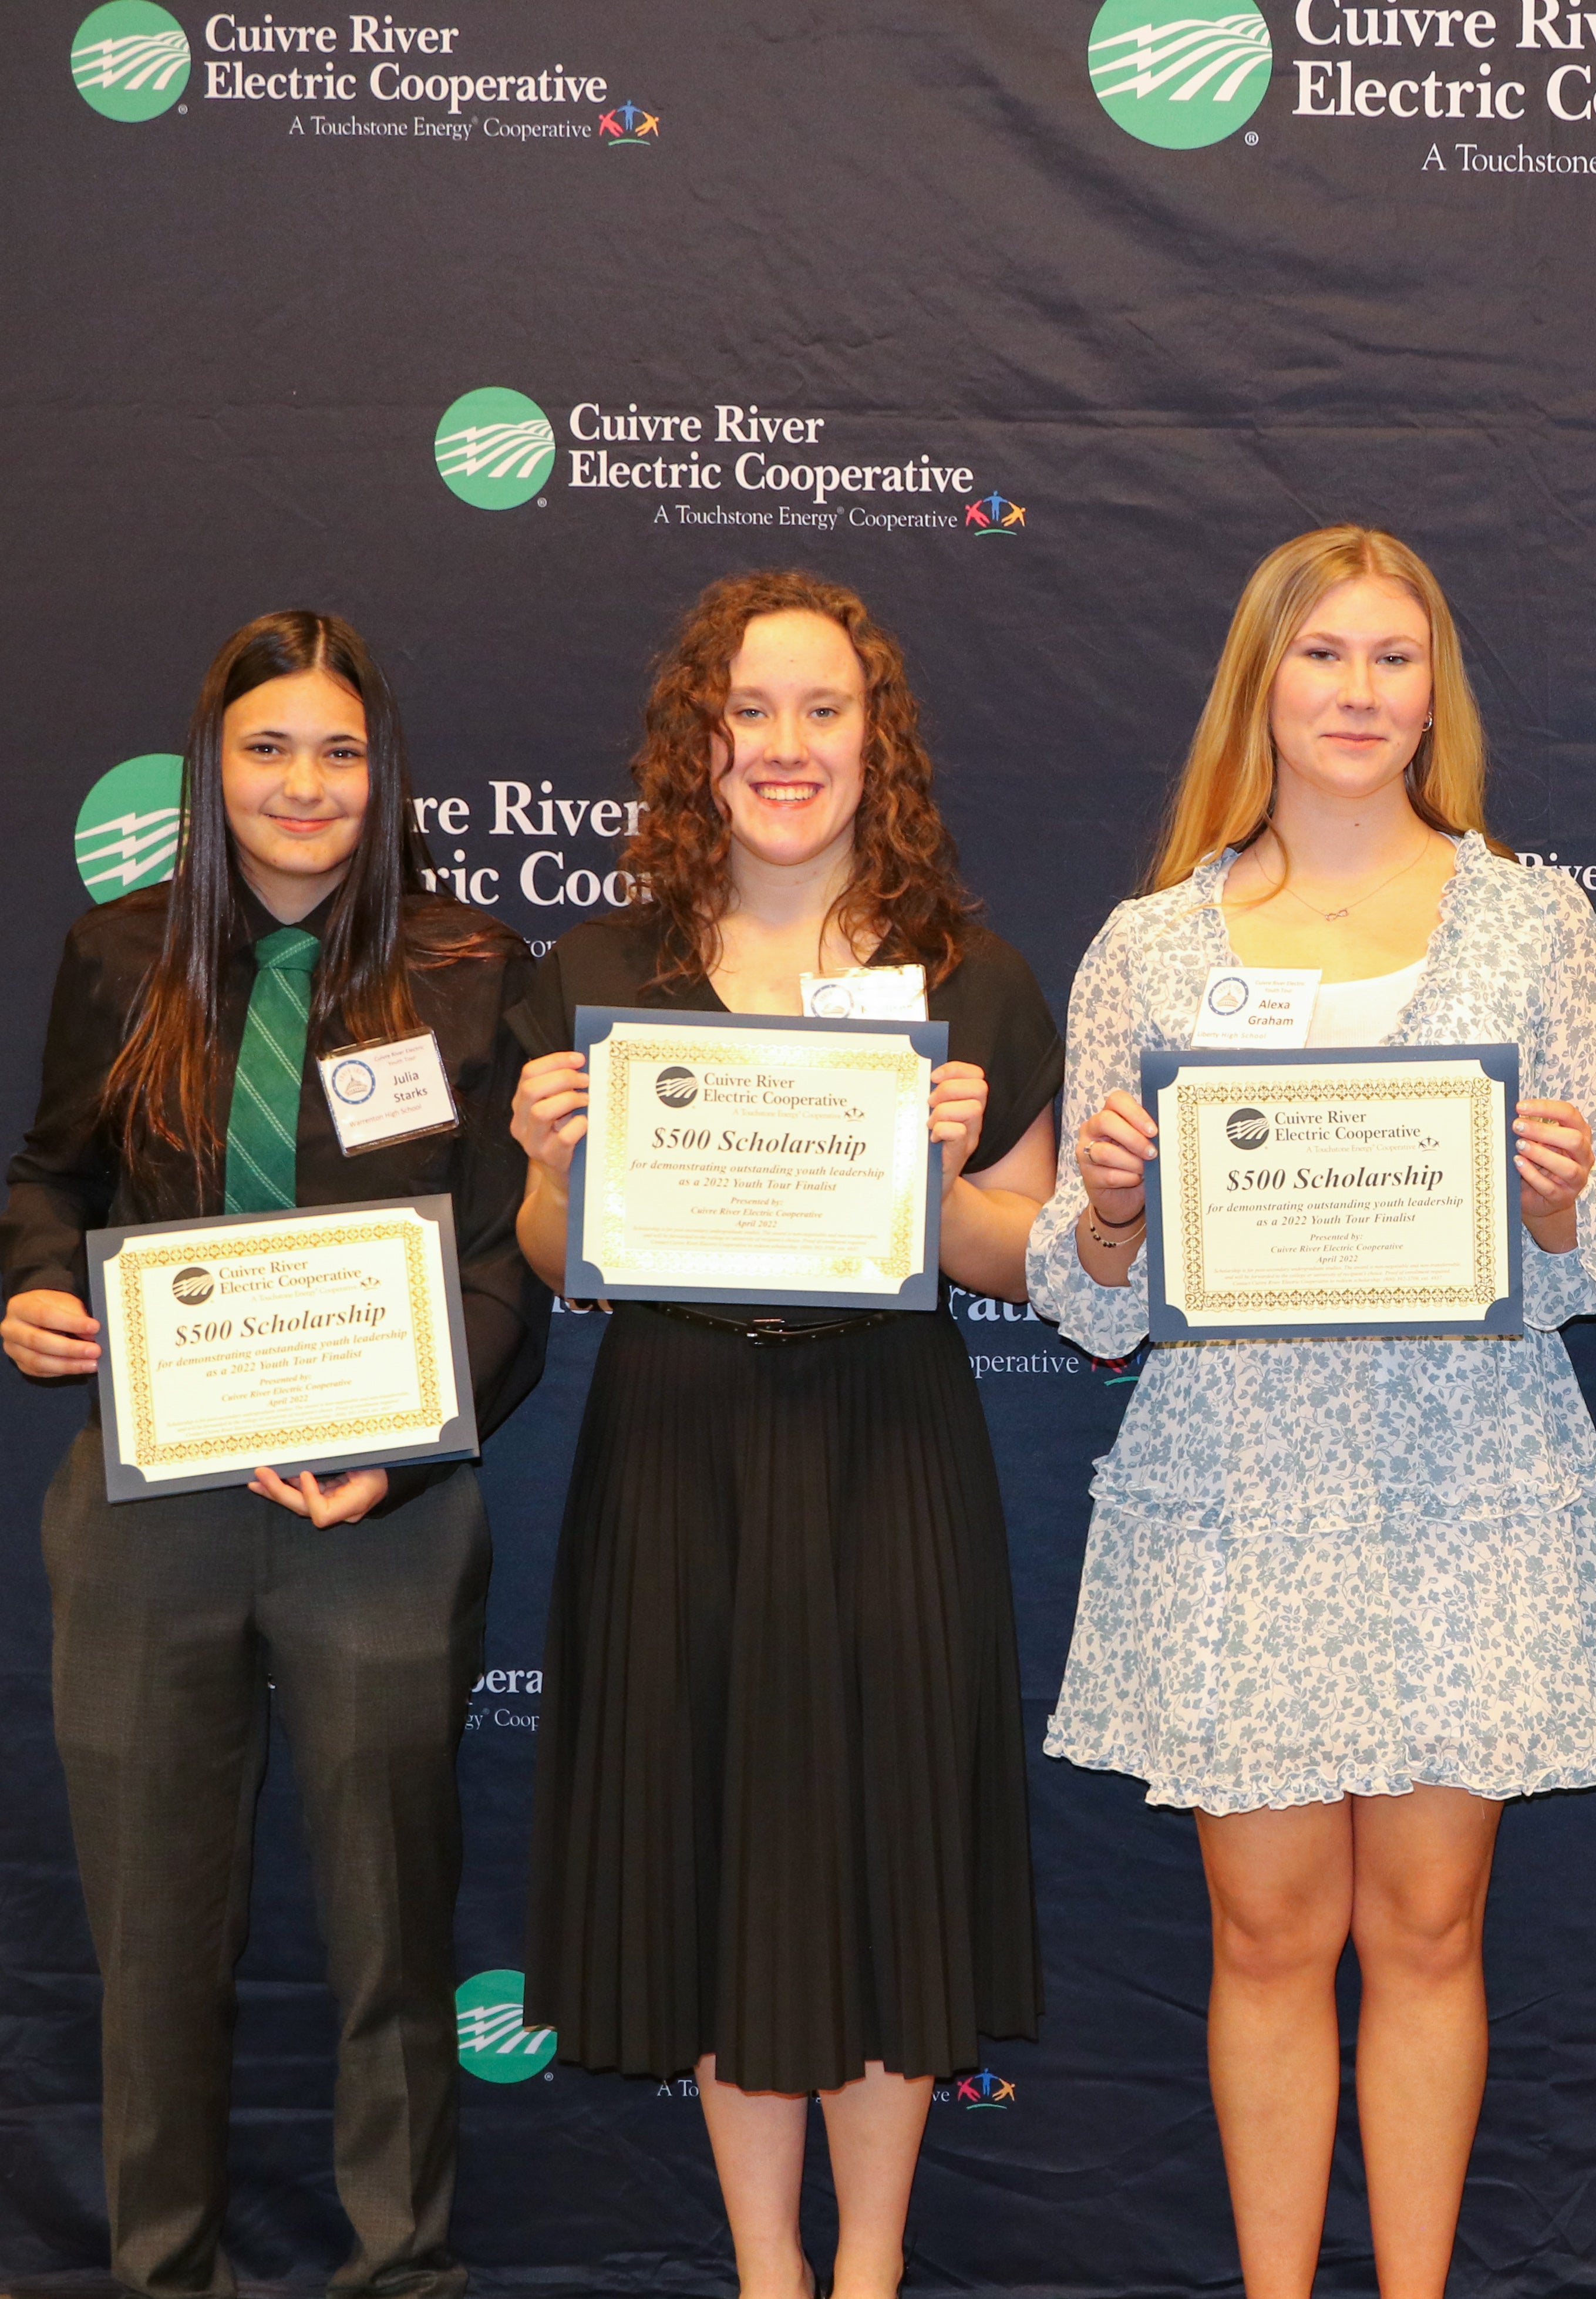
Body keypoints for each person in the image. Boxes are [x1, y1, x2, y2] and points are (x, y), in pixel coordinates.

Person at [1028, 524, 1596, 2299]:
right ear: (1263, 685)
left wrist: (1552, 1195)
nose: (1358, 694)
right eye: (1322, 658)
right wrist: (1113, 1208)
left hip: (1470, 1479)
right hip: (1240, 1486)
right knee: (1265, 1929)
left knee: (1431, 1925)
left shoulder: (1533, 920)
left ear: (1433, 693)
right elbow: (1086, 1293)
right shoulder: (1149, 946)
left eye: (1393, 660)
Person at [506, 571, 1059, 2299]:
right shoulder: (603, 970)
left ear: (876, 739)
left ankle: (873, 2264)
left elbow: (1018, 1260)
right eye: (754, 710)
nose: (790, 746)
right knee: (720, 1859)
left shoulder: (970, 978)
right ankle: (765, 2269)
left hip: (889, 1443)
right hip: (675, 1447)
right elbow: (549, 1263)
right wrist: (547, 1161)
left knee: (892, 1847)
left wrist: (958, 1169)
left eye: (828, 709)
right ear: (702, 741)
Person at [1, 610, 544, 2299]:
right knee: (155, 1943)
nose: (303, 786)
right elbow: (54, 1177)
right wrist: (26, 1285)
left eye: (340, 751)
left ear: (385, 778)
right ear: (211, 763)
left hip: (382, 1514)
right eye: (267, 747)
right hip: (150, 1509)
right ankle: (162, 2272)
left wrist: (412, 1444)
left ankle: (400, 2268)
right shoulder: (119, 955)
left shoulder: (470, 968)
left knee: (391, 1933)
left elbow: (509, 1251)